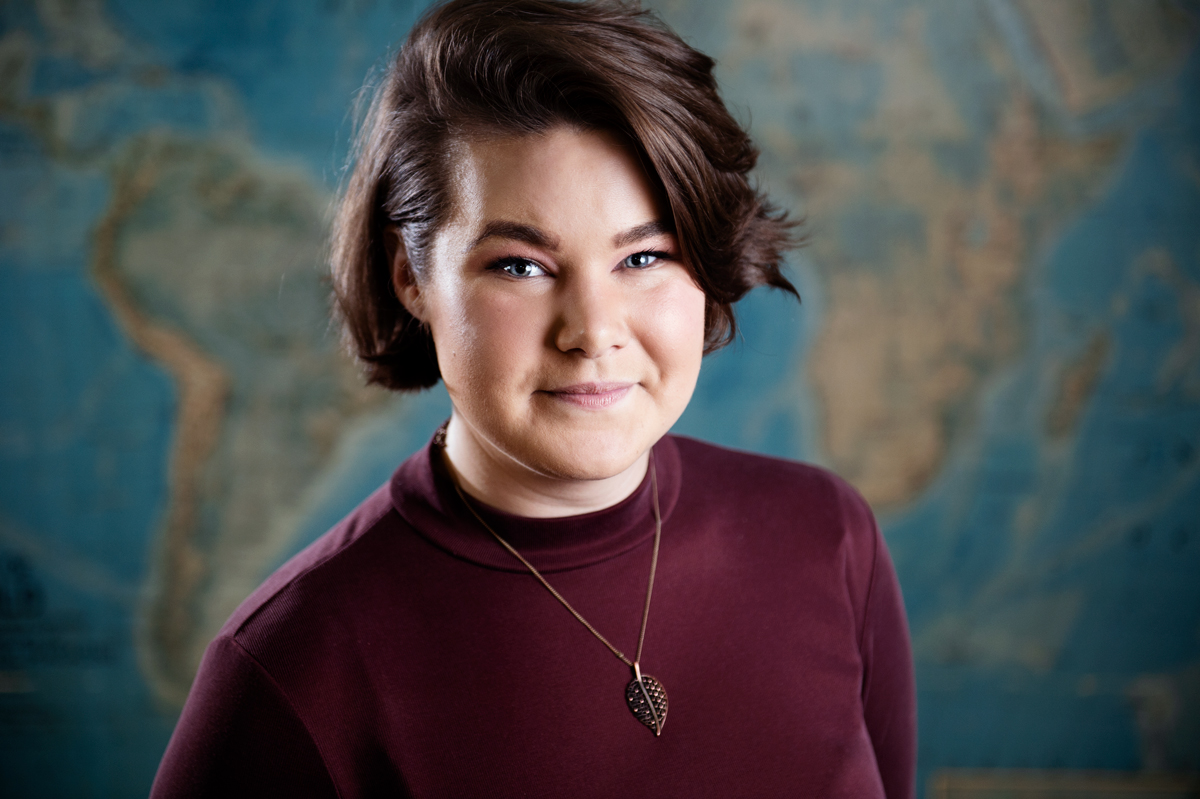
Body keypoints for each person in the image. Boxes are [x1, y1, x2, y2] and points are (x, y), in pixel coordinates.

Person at [150, 0, 915, 796]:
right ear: (411, 276)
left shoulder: (829, 537)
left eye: (644, 256)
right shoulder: (291, 666)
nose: (592, 331)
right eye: (520, 266)